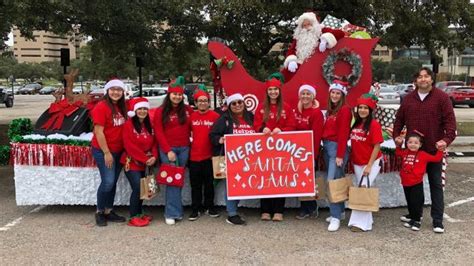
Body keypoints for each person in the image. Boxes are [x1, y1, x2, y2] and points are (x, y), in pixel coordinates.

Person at [393, 67, 457, 234]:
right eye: (420, 77)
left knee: (436, 184)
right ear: (415, 80)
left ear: (431, 79)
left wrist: (446, 140)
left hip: (432, 151)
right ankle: (415, 214)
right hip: (413, 151)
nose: (423, 79)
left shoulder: (442, 98)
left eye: (426, 76)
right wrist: (397, 137)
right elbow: (399, 120)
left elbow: (451, 124)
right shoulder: (408, 99)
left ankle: (437, 220)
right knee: (413, 184)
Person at [253, 73, 296, 222]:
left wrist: (282, 130)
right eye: (270, 90)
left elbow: (292, 125)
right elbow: (256, 125)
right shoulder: (260, 108)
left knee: (280, 178)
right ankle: (265, 210)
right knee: (265, 177)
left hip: (282, 150)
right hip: (264, 150)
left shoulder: (287, 107)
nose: (273, 92)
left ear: (279, 91)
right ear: (267, 91)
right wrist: (261, 129)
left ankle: (278, 210)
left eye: (275, 89)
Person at [153, 76, 194, 225]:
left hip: (184, 149)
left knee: (179, 180)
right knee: (172, 181)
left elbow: (195, 125)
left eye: (179, 94)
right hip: (168, 150)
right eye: (174, 94)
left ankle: (176, 210)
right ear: (169, 94)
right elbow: (158, 132)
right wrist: (167, 150)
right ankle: (171, 213)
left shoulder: (188, 110)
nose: (177, 97)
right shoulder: (161, 111)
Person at [210, 93, 254, 225]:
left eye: (240, 102)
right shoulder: (224, 119)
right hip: (232, 158)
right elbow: (212, 135)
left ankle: (234, 208)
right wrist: (220, 139)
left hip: (249, 158)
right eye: (233, 103)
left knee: (243, 185)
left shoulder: (251, 117)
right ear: (229, 106)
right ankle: (232, 213)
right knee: (232, 185)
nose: (237, 105)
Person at [91, 79, 128, 226]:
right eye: (113, 89)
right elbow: (98, 132)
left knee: (112, 182)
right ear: (107, 91)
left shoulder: (121, 107)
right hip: (104, 150)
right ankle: (99, 211)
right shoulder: (102, 107)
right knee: (108, 181)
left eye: (119, 90)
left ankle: (108, 210)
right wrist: (106, 152)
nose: (116, 92)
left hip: (119, 150)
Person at [347, 94, 383, 232]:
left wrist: (369, 165)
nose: (362, 110)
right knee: (363, 189)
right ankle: (368, 221)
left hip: (371, 162)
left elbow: (377, 146)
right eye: (360, 107)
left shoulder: (374, 125)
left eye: (365, 108)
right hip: (358, 162)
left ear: (370, 110)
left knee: (363, 189)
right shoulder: (356, 122)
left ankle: (360, 224)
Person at [395, 132, 444, 231]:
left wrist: (440, 150)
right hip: (405, 182)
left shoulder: (423, 155)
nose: (413, 144)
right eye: (410, 142)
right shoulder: (404, 152)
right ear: (406, 143)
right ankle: (412, 218)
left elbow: (436, 158)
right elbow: (397, 152)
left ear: (420, 145)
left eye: (416, 143)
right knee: (409, 202)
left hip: (416, 183)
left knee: (416, 202)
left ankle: (417, 220)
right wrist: (398, 144)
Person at [120, 97, 157, 227]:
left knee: (142, 188)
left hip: (145, 162)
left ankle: (139, 212)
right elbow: (129, 146)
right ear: (135, 111)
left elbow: (154, 142)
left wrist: (154, 156)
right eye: (140, 109)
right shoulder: (128, 125)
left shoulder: (150, 123)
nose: (142, 111)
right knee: (137, 188)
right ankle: (133, 216)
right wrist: (145, 159)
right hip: (132, 162)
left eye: (145, 108)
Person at [321, 80, 352, 232]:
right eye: (332, 92)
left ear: (342, 95)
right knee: (337, 180)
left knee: (332, 182)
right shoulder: (330, 110)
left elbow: (343, 133)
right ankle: (339, 212)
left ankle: (334, 218)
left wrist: (339, 155)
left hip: (336, 148)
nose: (334, 95)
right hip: (327, 147)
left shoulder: (345, 110)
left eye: (337, 93)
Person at [188, 86, 221, 221]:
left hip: (209, 157)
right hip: (194, 157)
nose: (202, 103)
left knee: (209, 185)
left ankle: (210, 207)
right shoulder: (191, 117)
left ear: (209, 102)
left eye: (205, 100)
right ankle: (196, 208)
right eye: (199, 101)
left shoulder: (216, 116)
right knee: (195, 186)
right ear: (195, 103)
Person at [282, 12, 344, 82]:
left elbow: (340, 33)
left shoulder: (320, 30)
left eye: (308, 24)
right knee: (286, 76)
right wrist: (291, 60)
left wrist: (325, 39)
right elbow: (292, 50)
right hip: (300, 64)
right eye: (304, 25)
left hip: (315, 65)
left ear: (313, 23)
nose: (306, 27)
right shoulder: (299, 36)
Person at [292, 83, 324, 220]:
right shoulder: (296, 111)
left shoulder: (316, 113)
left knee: (309, 180)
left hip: (309, 152)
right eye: (303, 93)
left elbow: (316, 136)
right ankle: (305, 208)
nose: (305, 96)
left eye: (308, 94)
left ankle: (311, 207)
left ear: (313, 96)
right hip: (296, 151)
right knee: (300, 180)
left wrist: (313, 155)